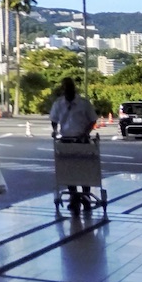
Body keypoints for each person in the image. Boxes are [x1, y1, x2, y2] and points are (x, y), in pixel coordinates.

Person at [49, 76, 98, 214]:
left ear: (73, 88)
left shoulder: (83, 103)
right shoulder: (59, 104)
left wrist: (86, 132)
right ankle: (74, 196)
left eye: (69, 87)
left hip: (81, 139)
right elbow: (54, 119)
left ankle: (86, 196)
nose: (67, 90)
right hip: (66, 138)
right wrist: (55, 130)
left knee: (84, 169)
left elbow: (92, 119)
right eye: (65, 87)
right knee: (68, 169)